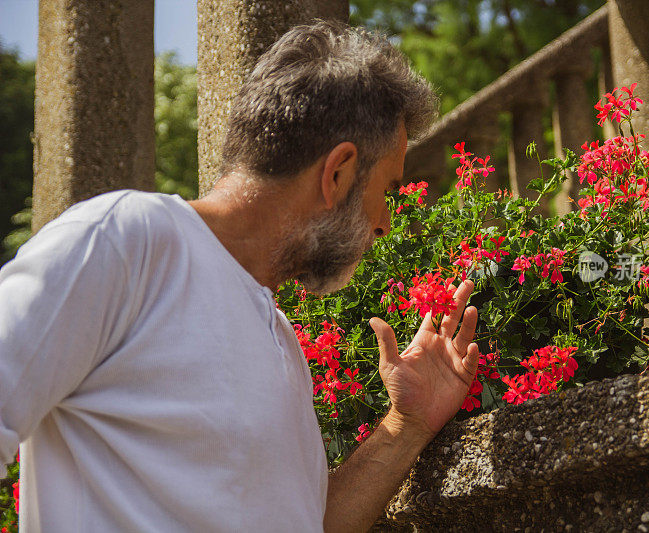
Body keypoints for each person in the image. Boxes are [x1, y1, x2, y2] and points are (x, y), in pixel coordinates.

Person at [0, 21, 480, 532]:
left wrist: (406, 427)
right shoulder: (124, 241)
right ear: (338, 172)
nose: (386, 222)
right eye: (388, 188)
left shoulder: (279, 336)